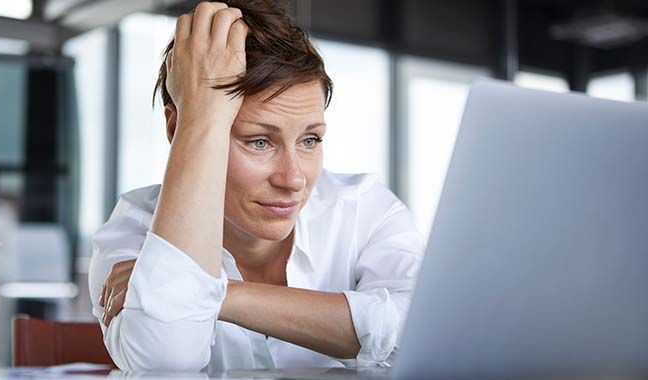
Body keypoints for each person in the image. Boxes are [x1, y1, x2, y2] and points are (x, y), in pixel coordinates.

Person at [88, 0, 424, 372]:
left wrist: (214, 295)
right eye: (259, 142)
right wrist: (200, 117)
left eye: (310, 140)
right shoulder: (135, 227)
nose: (293, 179)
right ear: (175, 129)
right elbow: (166, 360)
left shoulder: (365, 209)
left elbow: (420, 335)